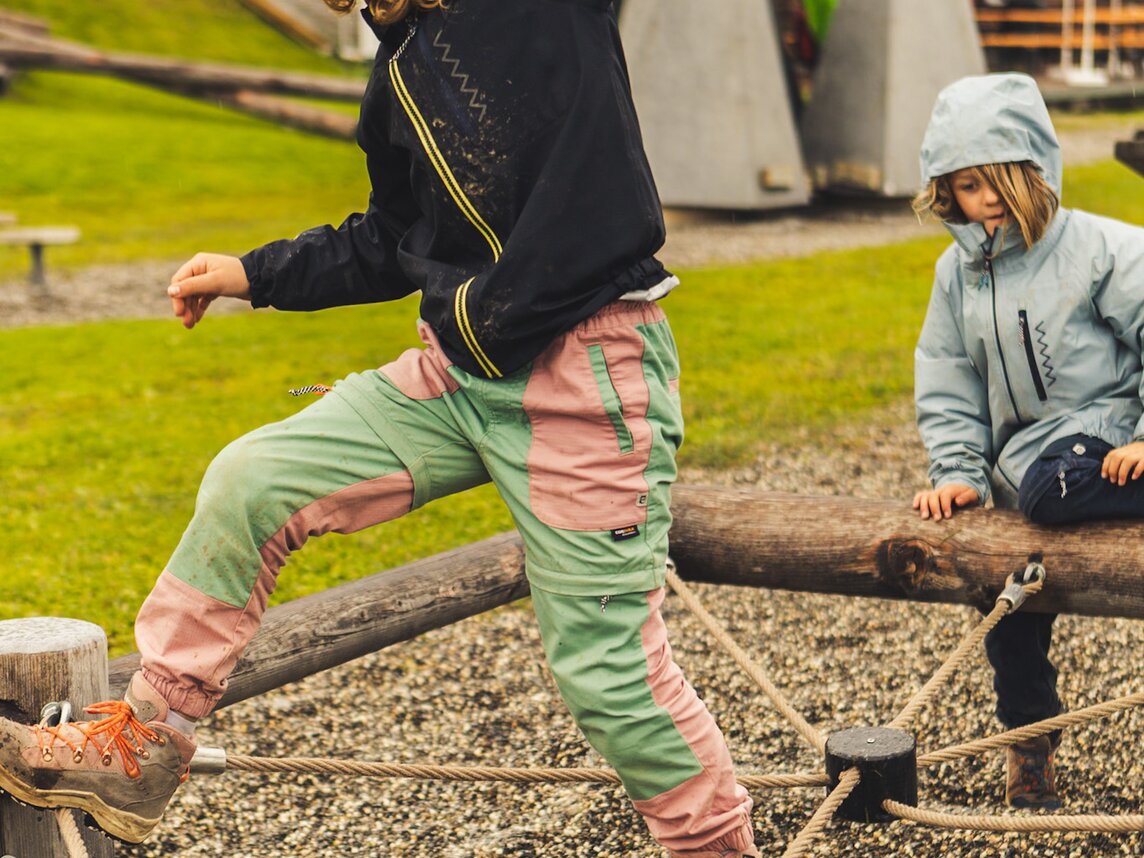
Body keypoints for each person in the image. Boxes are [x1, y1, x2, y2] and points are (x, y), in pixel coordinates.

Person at [0, 1, 759, 855]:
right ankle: (144, 746)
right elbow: (392, 239)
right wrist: (254, 273)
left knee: (612, 680)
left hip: (588, 376)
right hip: (455, 376)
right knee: (254, 479)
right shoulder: (395, 71)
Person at [910, 72, 1144, 810]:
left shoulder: (1098, 248)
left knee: (1049, 486)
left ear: (1030, 170)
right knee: (1003, 603)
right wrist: (958, 471)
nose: (982, 199)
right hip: (1026, 472)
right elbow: (947, 375)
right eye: (965, 185)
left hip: (1101, 437)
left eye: (994, 181)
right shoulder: (956, 276)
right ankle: (1029, 738)